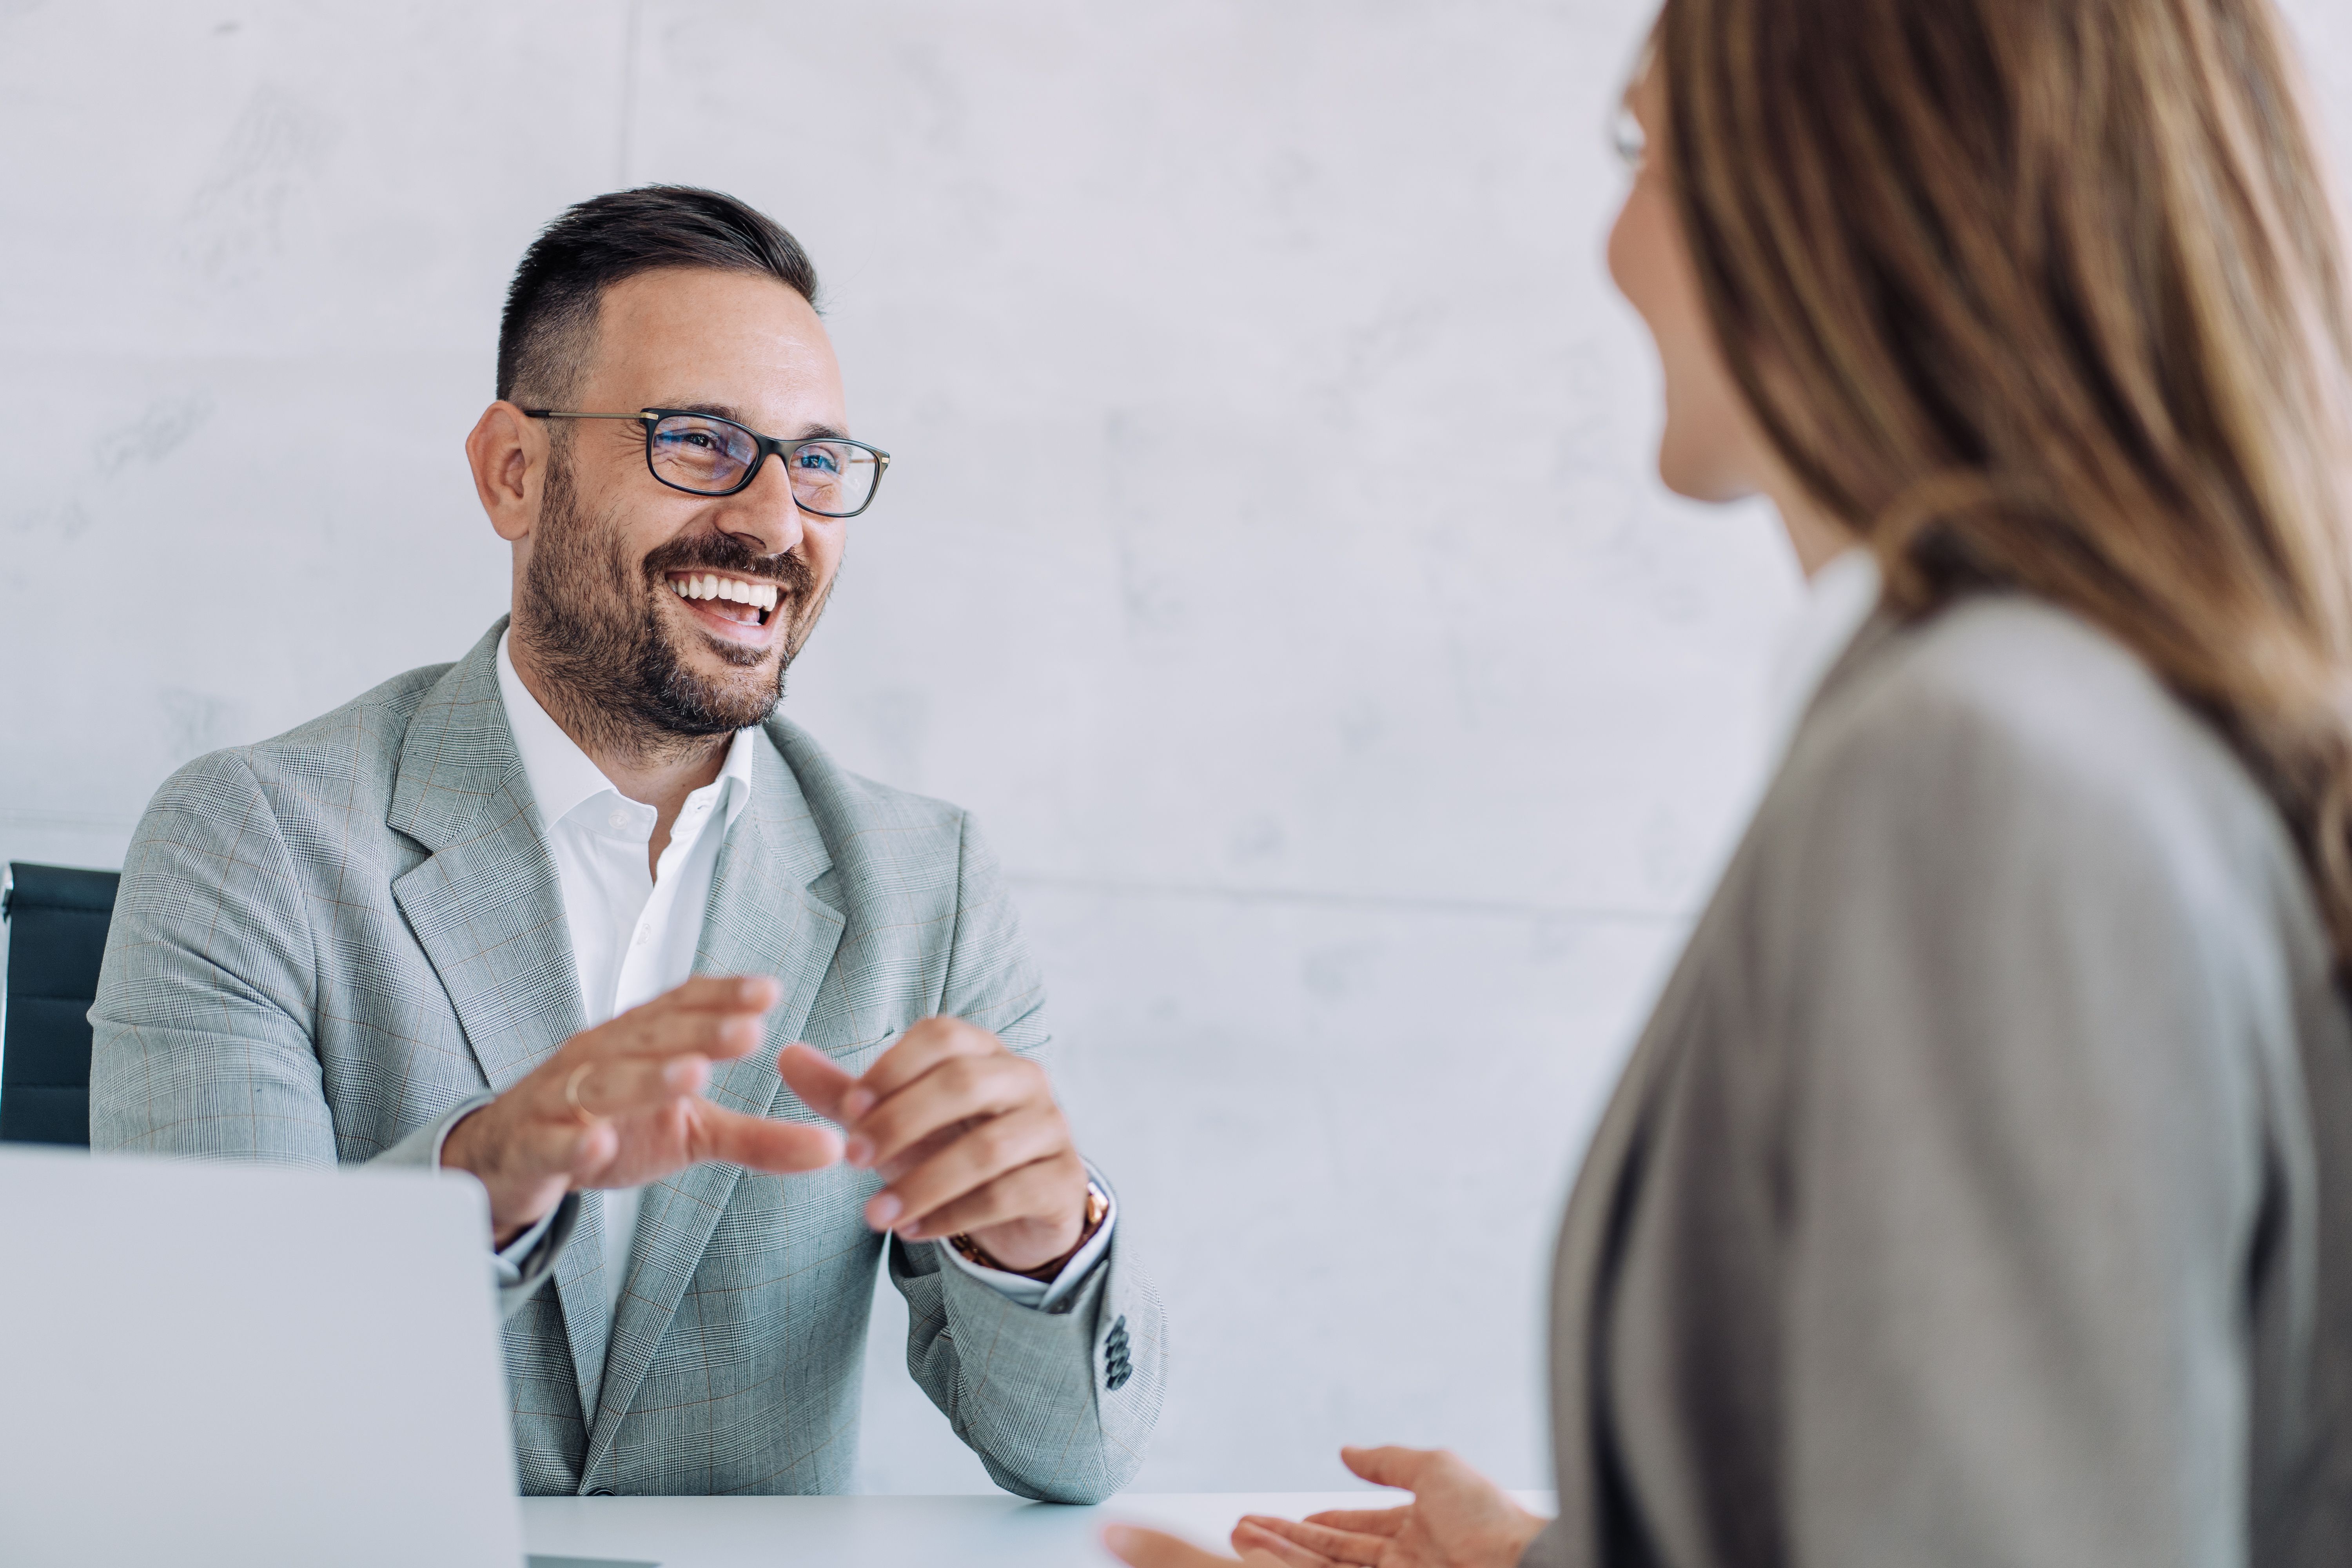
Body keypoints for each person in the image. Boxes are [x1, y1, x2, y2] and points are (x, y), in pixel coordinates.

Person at [1110, 0, 2352, 1562]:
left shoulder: (1978, 768)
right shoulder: (2120, 726)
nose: (1614, 250)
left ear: (1853, 180)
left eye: (1646, 149)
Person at [87, 186, 1161, 1502]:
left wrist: (1046, 1245)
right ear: (514, 471)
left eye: (817, 463)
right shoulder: (252, 840)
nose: (775, 524)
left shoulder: (926, 883)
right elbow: (195, 1386)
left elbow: (1073, 1458)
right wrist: (475, 1183)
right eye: (698, 441)